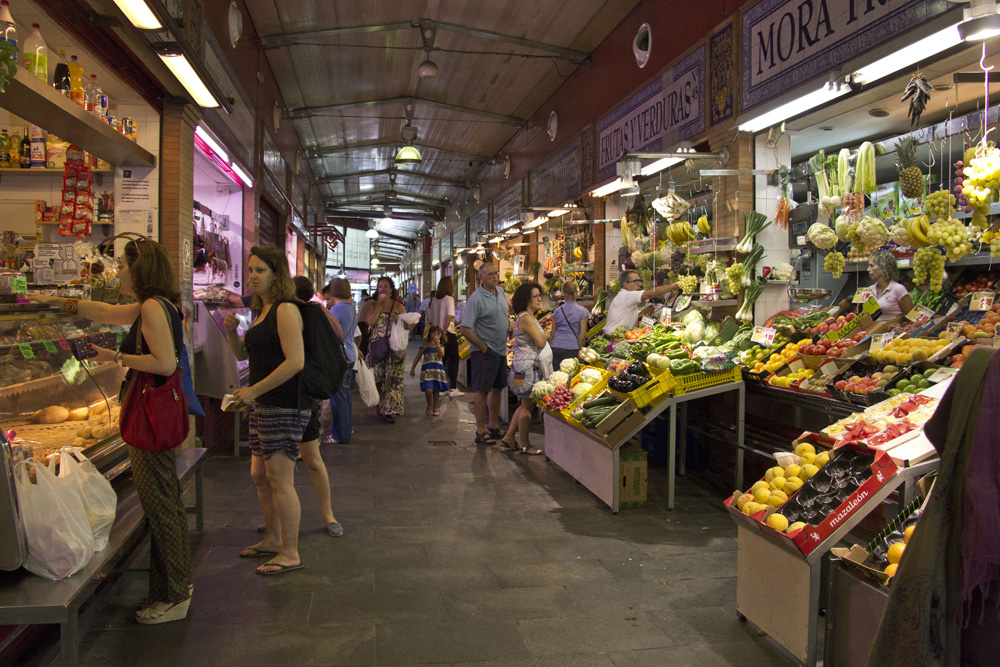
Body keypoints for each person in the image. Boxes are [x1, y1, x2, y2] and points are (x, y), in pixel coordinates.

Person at [29, 239, 194, 623]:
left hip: (148, 420)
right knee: (164, 505)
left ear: (140, 270)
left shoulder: (152, 306)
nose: (117, 272)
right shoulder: (156, 305)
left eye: (122, 266)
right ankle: (175, 588)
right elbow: (104, 311)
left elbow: (165, 364)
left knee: (161, 508)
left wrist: (114, 356)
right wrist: (59, 303)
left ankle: (173, 597)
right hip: (157, 417)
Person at [224, 246, 309, 576]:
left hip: (284, 404)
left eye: (260, 270)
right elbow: (246, 356)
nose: (253, 276)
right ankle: (273, 538)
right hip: (262, 403)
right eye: (250, 270)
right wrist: (232, 332)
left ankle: (290, 551)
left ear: (277, 275)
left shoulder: (285, 310)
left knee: (279, 478)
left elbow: (296, 361)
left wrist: (255, 390)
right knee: (260, 475)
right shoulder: (261, 310)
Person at [291, 276, 344, 537]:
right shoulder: (276, 311)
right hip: (282, 397)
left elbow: (338, 334)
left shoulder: (311, 312)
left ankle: (328, 514)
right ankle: (279, 516)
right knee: (279, 466)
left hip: (303, 392)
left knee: (311, 459)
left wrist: (319, 307)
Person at [459, 262, 510, 446]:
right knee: (482, 390)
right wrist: (482, 347)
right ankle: (480, 431)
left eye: (496, 273)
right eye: (490, 274)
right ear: (481, 276)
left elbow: (504, 314)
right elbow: (464, 328)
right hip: (485, 352)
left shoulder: (501, 293)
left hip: (500, 349)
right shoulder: (476, 298)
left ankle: (493, 426)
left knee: (497, 388)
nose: (495, 277)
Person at [499, 283, 549, 455]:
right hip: (528, 369)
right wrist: (553, 332)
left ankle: (508, 438)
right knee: (528, 407)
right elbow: (540, 342)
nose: (539, 299)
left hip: (521, 367)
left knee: (524, 405)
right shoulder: (526, 318)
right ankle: (525, 444)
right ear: (527, 299)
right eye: (536, 296)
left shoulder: (525, 316)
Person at [365, 276, 411, 422]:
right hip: (377, 347)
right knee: (377, 377)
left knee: (392, 380)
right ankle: (381, 406)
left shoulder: (398, 306)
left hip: (394, 348)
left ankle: (389, 410)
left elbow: (408, 326)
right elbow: (370, 322)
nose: (382, 289)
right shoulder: (372, 305)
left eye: (385, 286)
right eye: (380, 287)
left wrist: (399, 320)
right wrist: (379, 305)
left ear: (391, 290)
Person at [323, 278, 361, 445]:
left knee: (339, 396)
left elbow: (329, 332)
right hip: (350, 354)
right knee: (345, 396)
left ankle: (341, 435)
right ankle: (344, 428)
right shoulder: (351, 308)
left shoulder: (337, 309)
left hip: (339, 356)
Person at [602, 271, 679, 335]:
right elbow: (652, 293)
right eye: (635, 281)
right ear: (625, 284)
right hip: (613, 337)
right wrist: (675, 285)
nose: (639, 284)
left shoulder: (625, 295)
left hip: (617, 336)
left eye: (640, 280)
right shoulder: (626, 295)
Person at [425, 275, 464, 397]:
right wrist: (445, 331)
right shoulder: (449, 299)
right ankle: (453, 388)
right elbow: (449, 316)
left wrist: (437, 334)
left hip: (436, 334)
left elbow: (430, 319)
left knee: (441, 360)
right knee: (453, 360)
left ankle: (441, 388)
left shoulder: (435, 300)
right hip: (448, 334)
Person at [550, 280, 589, 369]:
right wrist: (580, 350)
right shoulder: (583, 312)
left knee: (557, 377)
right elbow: (582, 336)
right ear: (576, 292)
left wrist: (551, 348)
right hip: (572, 348)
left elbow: (552, 333)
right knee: (569, 377)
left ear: (564, 293)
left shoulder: (557, 311)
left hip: (556, 348)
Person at [410, 324, 448, 416]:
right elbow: (417, 357)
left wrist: (438, 344)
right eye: (433, 333)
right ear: (430, 334)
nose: (436, 335)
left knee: (436, 390)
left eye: (438, 333)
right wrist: (412, 368)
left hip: (437, 370)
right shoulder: (425, 346)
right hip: (427, 371)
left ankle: (435, 407)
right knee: (428, 390)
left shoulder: (441, 346)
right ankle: (429, 405)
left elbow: (441, 355)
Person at [868, 250, 913, 321]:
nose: (868, 269)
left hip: (892, 330)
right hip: (871, 331)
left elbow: (911, 316)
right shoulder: (869, 290)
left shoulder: (898, 289)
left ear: (883, 267)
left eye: (872, 266)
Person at [357, 290, 375, 359]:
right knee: (364, 343)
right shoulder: (372, 302)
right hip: (363, 323)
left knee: (362, 343)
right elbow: (370, 319)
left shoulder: (366, 302)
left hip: (359, 322)